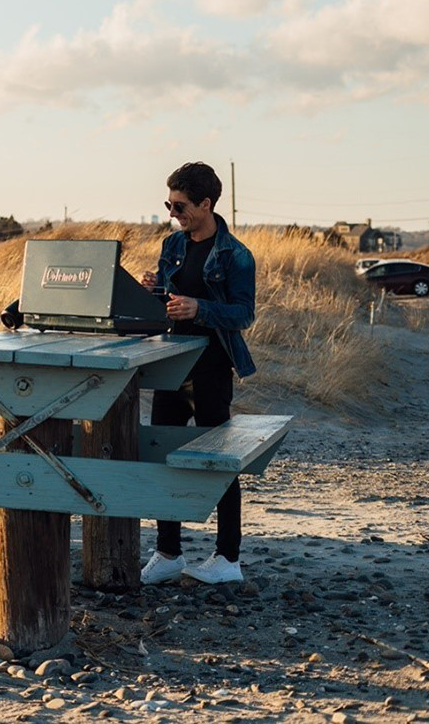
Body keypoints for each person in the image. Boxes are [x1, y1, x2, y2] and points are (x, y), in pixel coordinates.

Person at [140, 161, 257, 586]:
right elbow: (169, 299)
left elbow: (244, 314)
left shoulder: (236, 254)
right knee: (162, 458)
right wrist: (154, 290)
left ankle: (227, 558)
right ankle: (168, 552)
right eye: (169, 204)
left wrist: (199, 308)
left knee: (219, 463)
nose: (173, 212)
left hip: (211, 370)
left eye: (180, 205)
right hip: (171, 364)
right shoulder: (172, 245)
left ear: (206, 204)